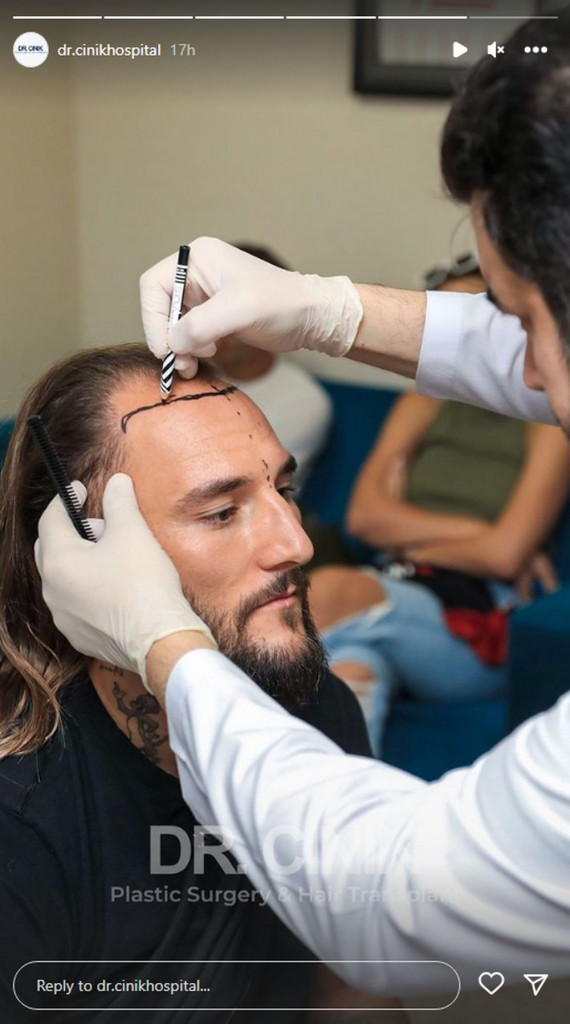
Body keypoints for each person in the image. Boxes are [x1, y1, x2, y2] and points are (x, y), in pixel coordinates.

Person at [35, 10, 570, 998]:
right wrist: (327, 307)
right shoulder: (30, 797)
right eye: (218, 508)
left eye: (526, 318)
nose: (527, 373)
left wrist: (164, 643)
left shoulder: (314, 703)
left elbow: (391, 905)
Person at [0, 345, 407, 1022]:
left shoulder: (316, 708)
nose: (297, 545)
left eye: (284, 491)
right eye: (221, 512)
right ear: (82, 554)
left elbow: (350, 987)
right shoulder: (22, 818)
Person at [309, 270, 570, 755]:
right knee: (351, 672)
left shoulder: (549, 414)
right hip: (398, 585)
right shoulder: (424, 400)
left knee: (324, 590)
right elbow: (363, 518)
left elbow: (505, 556)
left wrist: (406, 534)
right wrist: (478, 532)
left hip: (481, 612)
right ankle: (344, 798)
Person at [212, 244, 333, 493]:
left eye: (228, 312)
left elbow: (248, 484)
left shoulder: (301, 400)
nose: (213, 327)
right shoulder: (191, 377)